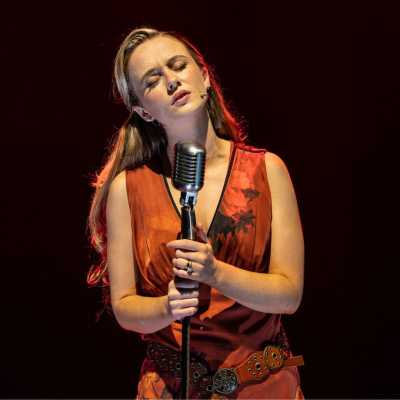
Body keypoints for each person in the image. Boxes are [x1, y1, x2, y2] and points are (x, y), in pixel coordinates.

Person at [87, 27, 305, 399]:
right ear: (142, 109)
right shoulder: (129, 189)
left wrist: (215, 272)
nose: (172, 81)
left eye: (178, 66)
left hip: (262, 386)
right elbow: (125, 308)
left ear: (204, 76)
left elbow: (288, 294)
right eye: (153, 80)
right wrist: (166, 307)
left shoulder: (267, 170)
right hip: (172, 388)